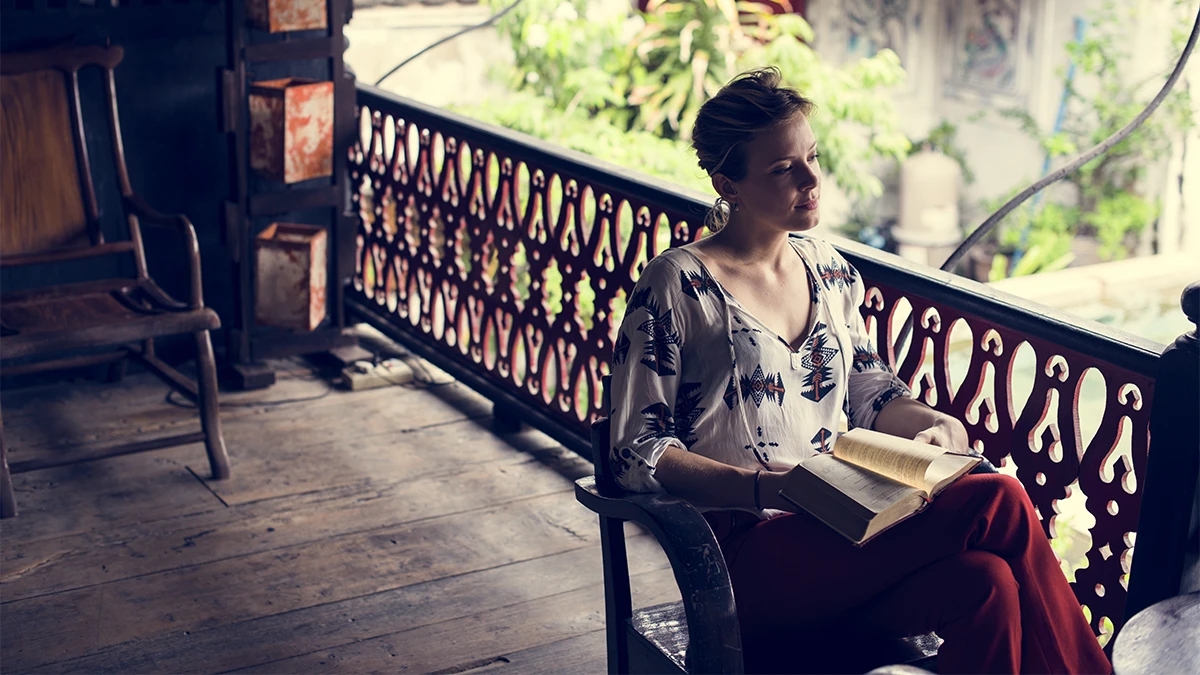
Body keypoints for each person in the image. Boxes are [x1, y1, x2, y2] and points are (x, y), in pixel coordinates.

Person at [607, 67, 1112, 675]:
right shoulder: (678, 287)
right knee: (997, 499)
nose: (812, 180)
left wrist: (931, 423)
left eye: (812, 157)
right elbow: (636, 452)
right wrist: (765, 486)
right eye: (782, 169)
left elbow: (871, 390)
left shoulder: (829, 268)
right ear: (727, 184)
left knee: (987, 584)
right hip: (745, 565)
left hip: (849, 534)